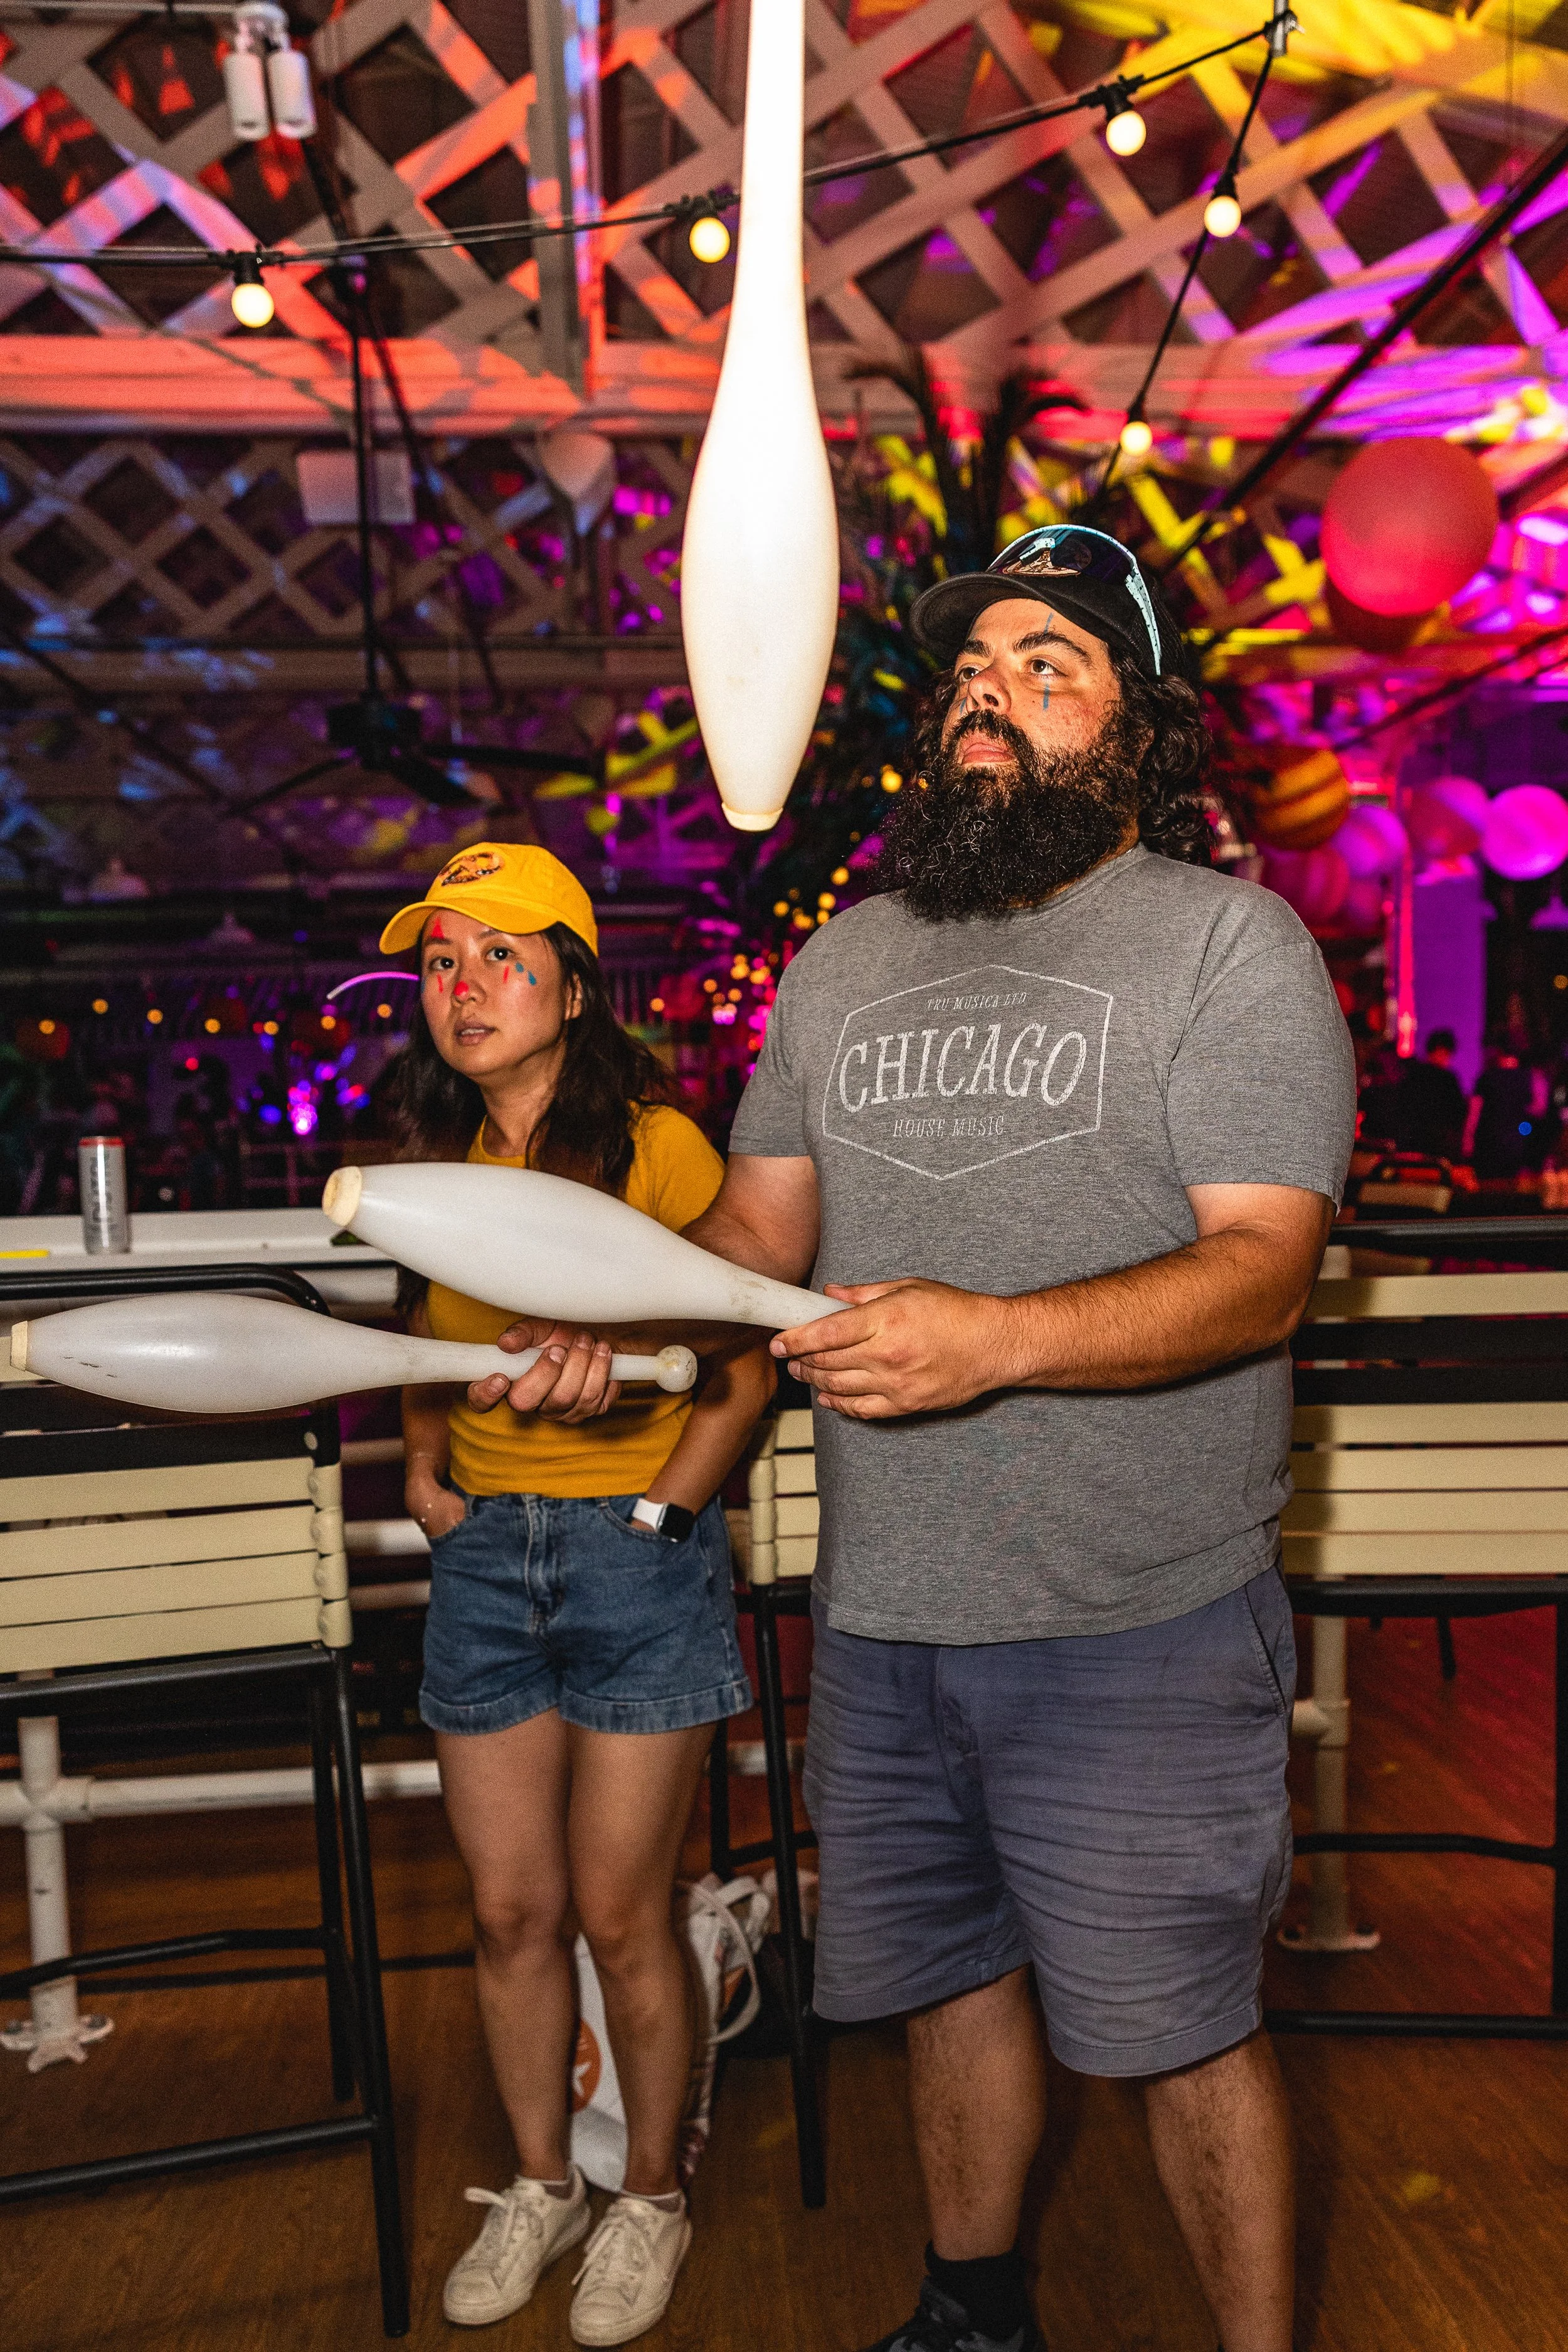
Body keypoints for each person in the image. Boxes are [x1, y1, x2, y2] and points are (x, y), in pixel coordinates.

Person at [682, 524, 1356, 2352]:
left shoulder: (1224, 944)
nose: (989, 689)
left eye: (1046, 662)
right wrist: (604, 1302)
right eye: (971, 667)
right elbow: (755, 1238)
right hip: (890, 1609)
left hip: (1129, 1616)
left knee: (1175, 2025)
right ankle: (970, 2309)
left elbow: (1256, 1272)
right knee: (943, 1983)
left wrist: (995, 1342)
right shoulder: (842, 959)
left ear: (1135, 724)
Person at [379, 843, 772, 2345]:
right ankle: (543, 2181)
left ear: (575, 981)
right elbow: (420, 1334)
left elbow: (734, 1369)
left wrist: (663, 1504)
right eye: (439, 960)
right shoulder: (430, 1160)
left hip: (633, 1548)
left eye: (499, 955)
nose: (463, 986)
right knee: (507, 1907)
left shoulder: (661, 1147)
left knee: (622, 1909)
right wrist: (426, 1469)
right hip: (487, 1560)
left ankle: (650, 2196)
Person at [1391, 1027, 1466, 1161]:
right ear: (1443, 1051)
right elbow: (1458, 1113)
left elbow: (1401, 1107)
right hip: (1439, 1146)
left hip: (1411, 1143)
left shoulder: (1412, 1075)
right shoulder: (1448, 1079)